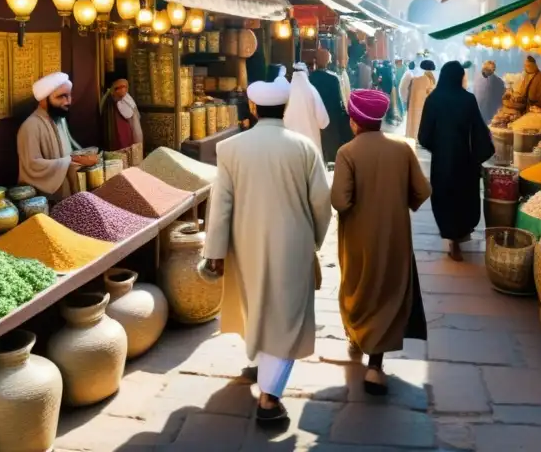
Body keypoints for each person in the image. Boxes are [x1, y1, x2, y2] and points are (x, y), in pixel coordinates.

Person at [203, 77, 332, 424]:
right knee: (286, 317)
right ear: (286, 107)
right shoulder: (304, 148)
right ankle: (269, 400)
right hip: (293, 242)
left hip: (246, 243)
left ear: (254, 109)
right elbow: (322, 204)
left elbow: (221, 205)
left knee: (256, 302)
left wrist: (214, 251)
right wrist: (314, 240)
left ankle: (261, 365)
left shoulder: (231, 149)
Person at [331, 89, 431, 395]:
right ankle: (375, 365)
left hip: (359, 240)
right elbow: (422, 191)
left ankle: (356, 336)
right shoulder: (402, 150)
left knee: (359, 288)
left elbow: (339, 201)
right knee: (388, 291)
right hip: (394, 237)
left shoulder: (347, 152)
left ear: (354, 121)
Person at [418, 61, 494, 261]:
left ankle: (452, 238)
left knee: (445, 198)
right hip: (465, 160)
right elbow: (479, 129)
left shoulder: (433, 99)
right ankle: (460, 236)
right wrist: (479, 154)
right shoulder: (467, 99)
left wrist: (439, 148)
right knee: (463, 198)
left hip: (442, 162)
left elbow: (423, 136)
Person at [17, 72, 97, 201]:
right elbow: (33, 165)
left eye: (69, 95)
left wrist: (82, 157)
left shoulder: (60, 120)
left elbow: (69, 151)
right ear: (43, 99)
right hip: (43, 199)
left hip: (66, 189)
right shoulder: (30, 126)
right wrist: (72, 161)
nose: (68, 101)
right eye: (61, 97)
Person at [310, 49, 353, 164]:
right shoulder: (333, 78)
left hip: (314, 118)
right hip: (331, 118)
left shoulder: (310, 78)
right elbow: (339, 101)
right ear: (328, 61)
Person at [284, 62, 330, 159]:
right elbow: (324, 122)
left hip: (289, 145)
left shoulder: (285, 92)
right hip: (310, 144)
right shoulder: (312, 91)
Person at [99, 74, 143, 151]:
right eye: (118, 88)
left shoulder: (128, 99)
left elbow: (133, 117)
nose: (122, 90)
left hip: (128, 130)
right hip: (114, 129)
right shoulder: (108, 101)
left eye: (125, 87)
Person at [404, 59, 436, 140]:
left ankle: (412, 137)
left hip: (413, 104)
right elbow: (431, 93)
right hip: (423, 105)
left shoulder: (415, 78)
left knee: (413, 122)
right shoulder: (428, 79)